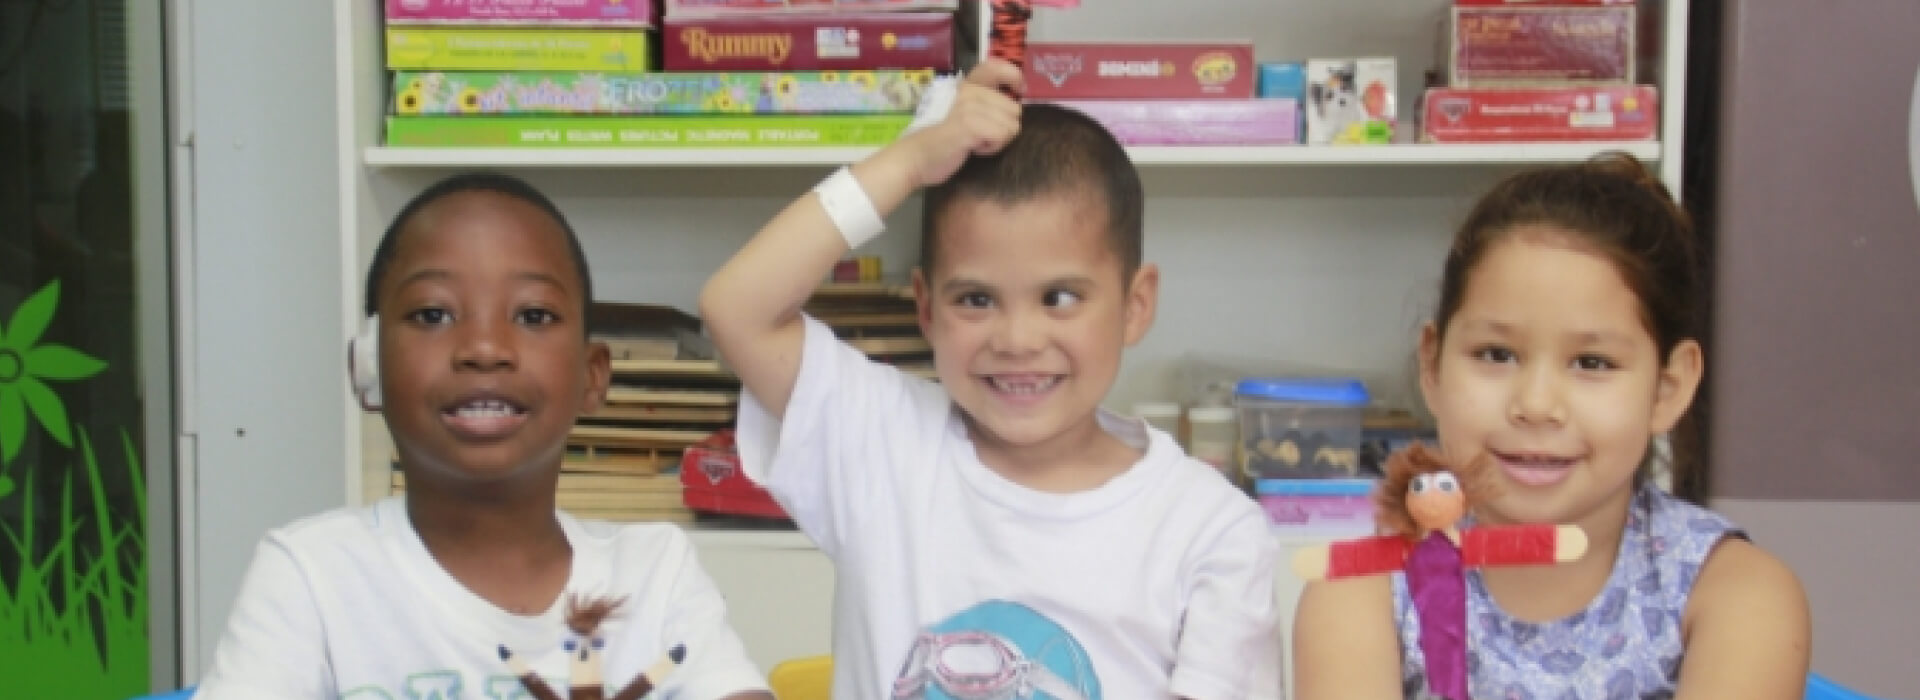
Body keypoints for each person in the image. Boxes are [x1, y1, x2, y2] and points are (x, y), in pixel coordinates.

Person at [700, 59, 1282, 699]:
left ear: (1135, 304)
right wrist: (908, 162)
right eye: (975, 300)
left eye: (1060, 297)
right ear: (924, 307)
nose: (1017, 341)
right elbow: (737, 308)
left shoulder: (1212, 531)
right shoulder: (882, 442)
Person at [196, 172, 774, 700]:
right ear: (366, 368)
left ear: (591, 376)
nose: (484, 349)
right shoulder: (312, 574)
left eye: (533, 316)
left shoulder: (652, 572)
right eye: (431, 315)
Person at [1292, 154, 1811, 699]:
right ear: (1432, 365)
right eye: (1496, 354)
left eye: (1592, 363)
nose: (1536, 406)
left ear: (1668, 388)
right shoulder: (1363, 589)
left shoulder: (1733, 594)